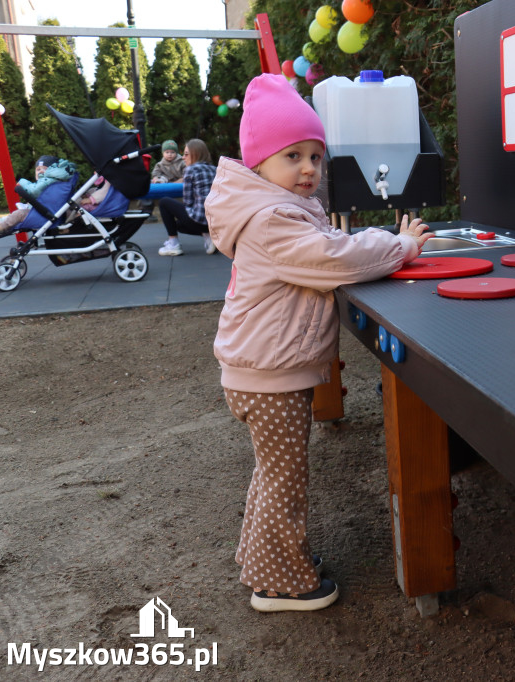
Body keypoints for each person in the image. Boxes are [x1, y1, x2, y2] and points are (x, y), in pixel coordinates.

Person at [204, 73, 431, 613]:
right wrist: (399, 246)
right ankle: (279, 584)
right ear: (260, 164)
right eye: (293, 157)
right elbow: (335, 257)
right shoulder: (272, 219)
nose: (308, 168)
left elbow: (327, 242)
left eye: (316, 157)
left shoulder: (276, 208)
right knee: (285, 480)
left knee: (273, 474)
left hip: (262, 369)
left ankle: (261, 561)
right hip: (269, 375)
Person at [157, 139, 216, 256]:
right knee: (179, 224)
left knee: (164, 202)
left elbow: (188, 201)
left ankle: (173, 244)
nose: (183, 157)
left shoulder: (191, 170)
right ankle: (208, 235)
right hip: (215, 221)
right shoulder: (215, 169)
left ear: (196, 154)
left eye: (186, 154)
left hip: (199, 220)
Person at [0, 156, 73, 238]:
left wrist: (22, 182)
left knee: (18, 214)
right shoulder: (56, 182)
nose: (40, 171)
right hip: (49, 213)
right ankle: (3, 223)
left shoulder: (48, 182)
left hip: (47, 215)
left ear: (52, 170)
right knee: (17, 215)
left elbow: (34, 191)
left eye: (44, 168)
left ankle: (1, 227)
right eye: (38, 169)